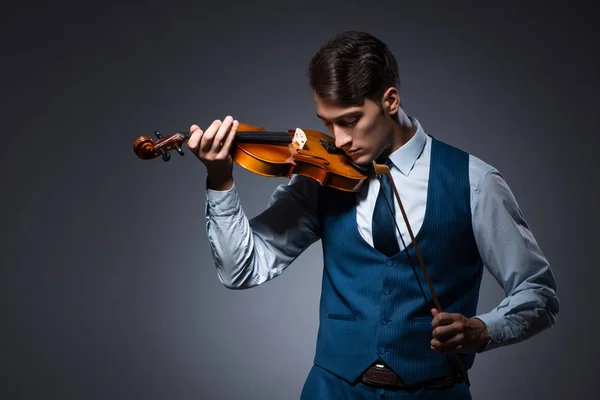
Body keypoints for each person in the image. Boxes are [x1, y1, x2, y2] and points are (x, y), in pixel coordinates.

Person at [187, 31, 559, 399]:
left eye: (349, 121)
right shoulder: (321, 177)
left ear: (390, 100)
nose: (339, 139)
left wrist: (484, 329)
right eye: (327, 122)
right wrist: (220, 181)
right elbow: (241, 269)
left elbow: (538, 291)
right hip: (330, 392)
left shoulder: (474, 182)